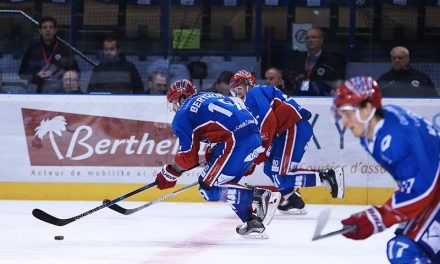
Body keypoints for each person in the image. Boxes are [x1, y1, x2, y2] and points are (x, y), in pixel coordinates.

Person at [155, 79, 281, 238]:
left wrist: (169, 173)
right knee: (227, 184)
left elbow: (188, 157)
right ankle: (251, 221)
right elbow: (230, 121)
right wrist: (215, 150)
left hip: (236, 142)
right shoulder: (210, 96)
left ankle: (258, 195)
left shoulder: (182, 114)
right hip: (253, 138)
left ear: (181, 98)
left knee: (208, 189)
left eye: (173, 102)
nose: (173, 108)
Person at [332, 76, 439, 263]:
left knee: (403, 250)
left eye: (348, 114)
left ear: (367, 109)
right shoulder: (372, 131)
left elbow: (422, 190)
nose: (345, 123)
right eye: (342, 115)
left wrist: (375, 218)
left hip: (433, 192)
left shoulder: (396, 138)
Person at [229, 70, 345, 215]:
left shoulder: (253, 93)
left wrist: (258, 155)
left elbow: (268, 121)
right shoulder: (256, 97)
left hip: (292, 127)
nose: (238, 94)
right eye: (234, 91)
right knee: (270, 169)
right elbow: (266, 127)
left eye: (239, 88)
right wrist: (255, 159)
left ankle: (326, 177)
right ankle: (292, 199)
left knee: (281, 176)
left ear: (249, 84)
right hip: (285, 130)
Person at [18, 16, 78, 94]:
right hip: (35, 93)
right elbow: (21, 73)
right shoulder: (32, 49)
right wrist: (36, 76)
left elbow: (76, 72)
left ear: (55, 30)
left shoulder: (64, 49)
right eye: (44, 27)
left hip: (60, 93)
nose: (48, 30)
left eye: (51, 27)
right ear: (40, 30)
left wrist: (63, 77)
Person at [284, 28, 345, 96]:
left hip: (323, 98)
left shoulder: (332, 60)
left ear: (321, 40)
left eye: (313, 37)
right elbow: (288, 77)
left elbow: (338, 83)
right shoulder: (297, 59)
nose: (310, 40)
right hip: (299, 97)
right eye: (307, 38)